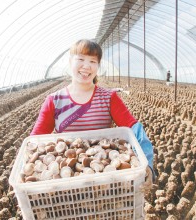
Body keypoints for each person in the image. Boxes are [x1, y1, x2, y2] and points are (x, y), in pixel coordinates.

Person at [31, 39, 155, 186]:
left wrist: (147, 163)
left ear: (98, 66)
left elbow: (133, 128)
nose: (86, 66)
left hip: (106, 178)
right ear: (70, 62)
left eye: (93, 61)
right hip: (68, 182)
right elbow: (35, 140)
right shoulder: (54, 101)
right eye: (81, 59)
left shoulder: (109, 98)